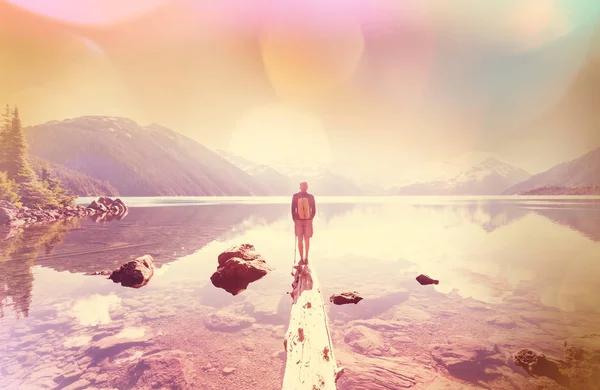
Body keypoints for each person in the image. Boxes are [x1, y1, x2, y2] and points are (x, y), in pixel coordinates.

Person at [291, 181, 316, 265]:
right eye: (303, 186)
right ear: (300, 187)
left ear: (307, 187)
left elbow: (313, 208)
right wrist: (295, 218)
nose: (304, 187)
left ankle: (305, 258)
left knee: (304, 239)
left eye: (305, 186)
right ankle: (303, 258)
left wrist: (311, 217)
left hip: (305, 220)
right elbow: (293, 208)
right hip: (300, 220)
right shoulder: (296, 196)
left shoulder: (309, 197)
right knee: (302, 239)